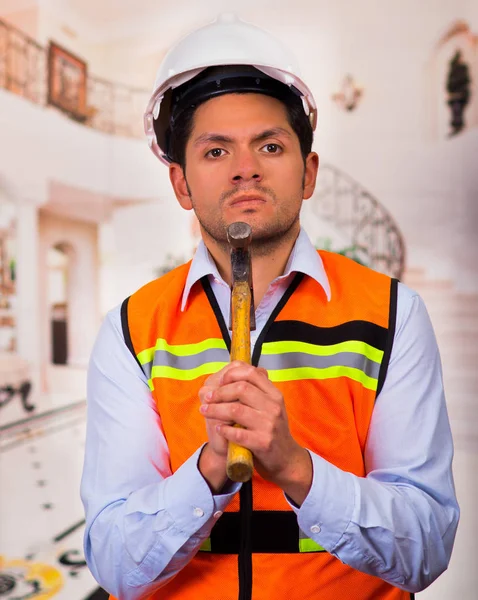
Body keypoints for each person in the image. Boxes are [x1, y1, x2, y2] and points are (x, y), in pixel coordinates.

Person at [80, 13, 459, 600]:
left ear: (307, 173)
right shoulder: (132, 330)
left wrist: (295, 467)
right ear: (181, 185)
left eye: (271, 145)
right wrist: (208, 470)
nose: (245, 168)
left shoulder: (392, 314)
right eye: (215, 152)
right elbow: (113, 562)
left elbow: (428, 548)